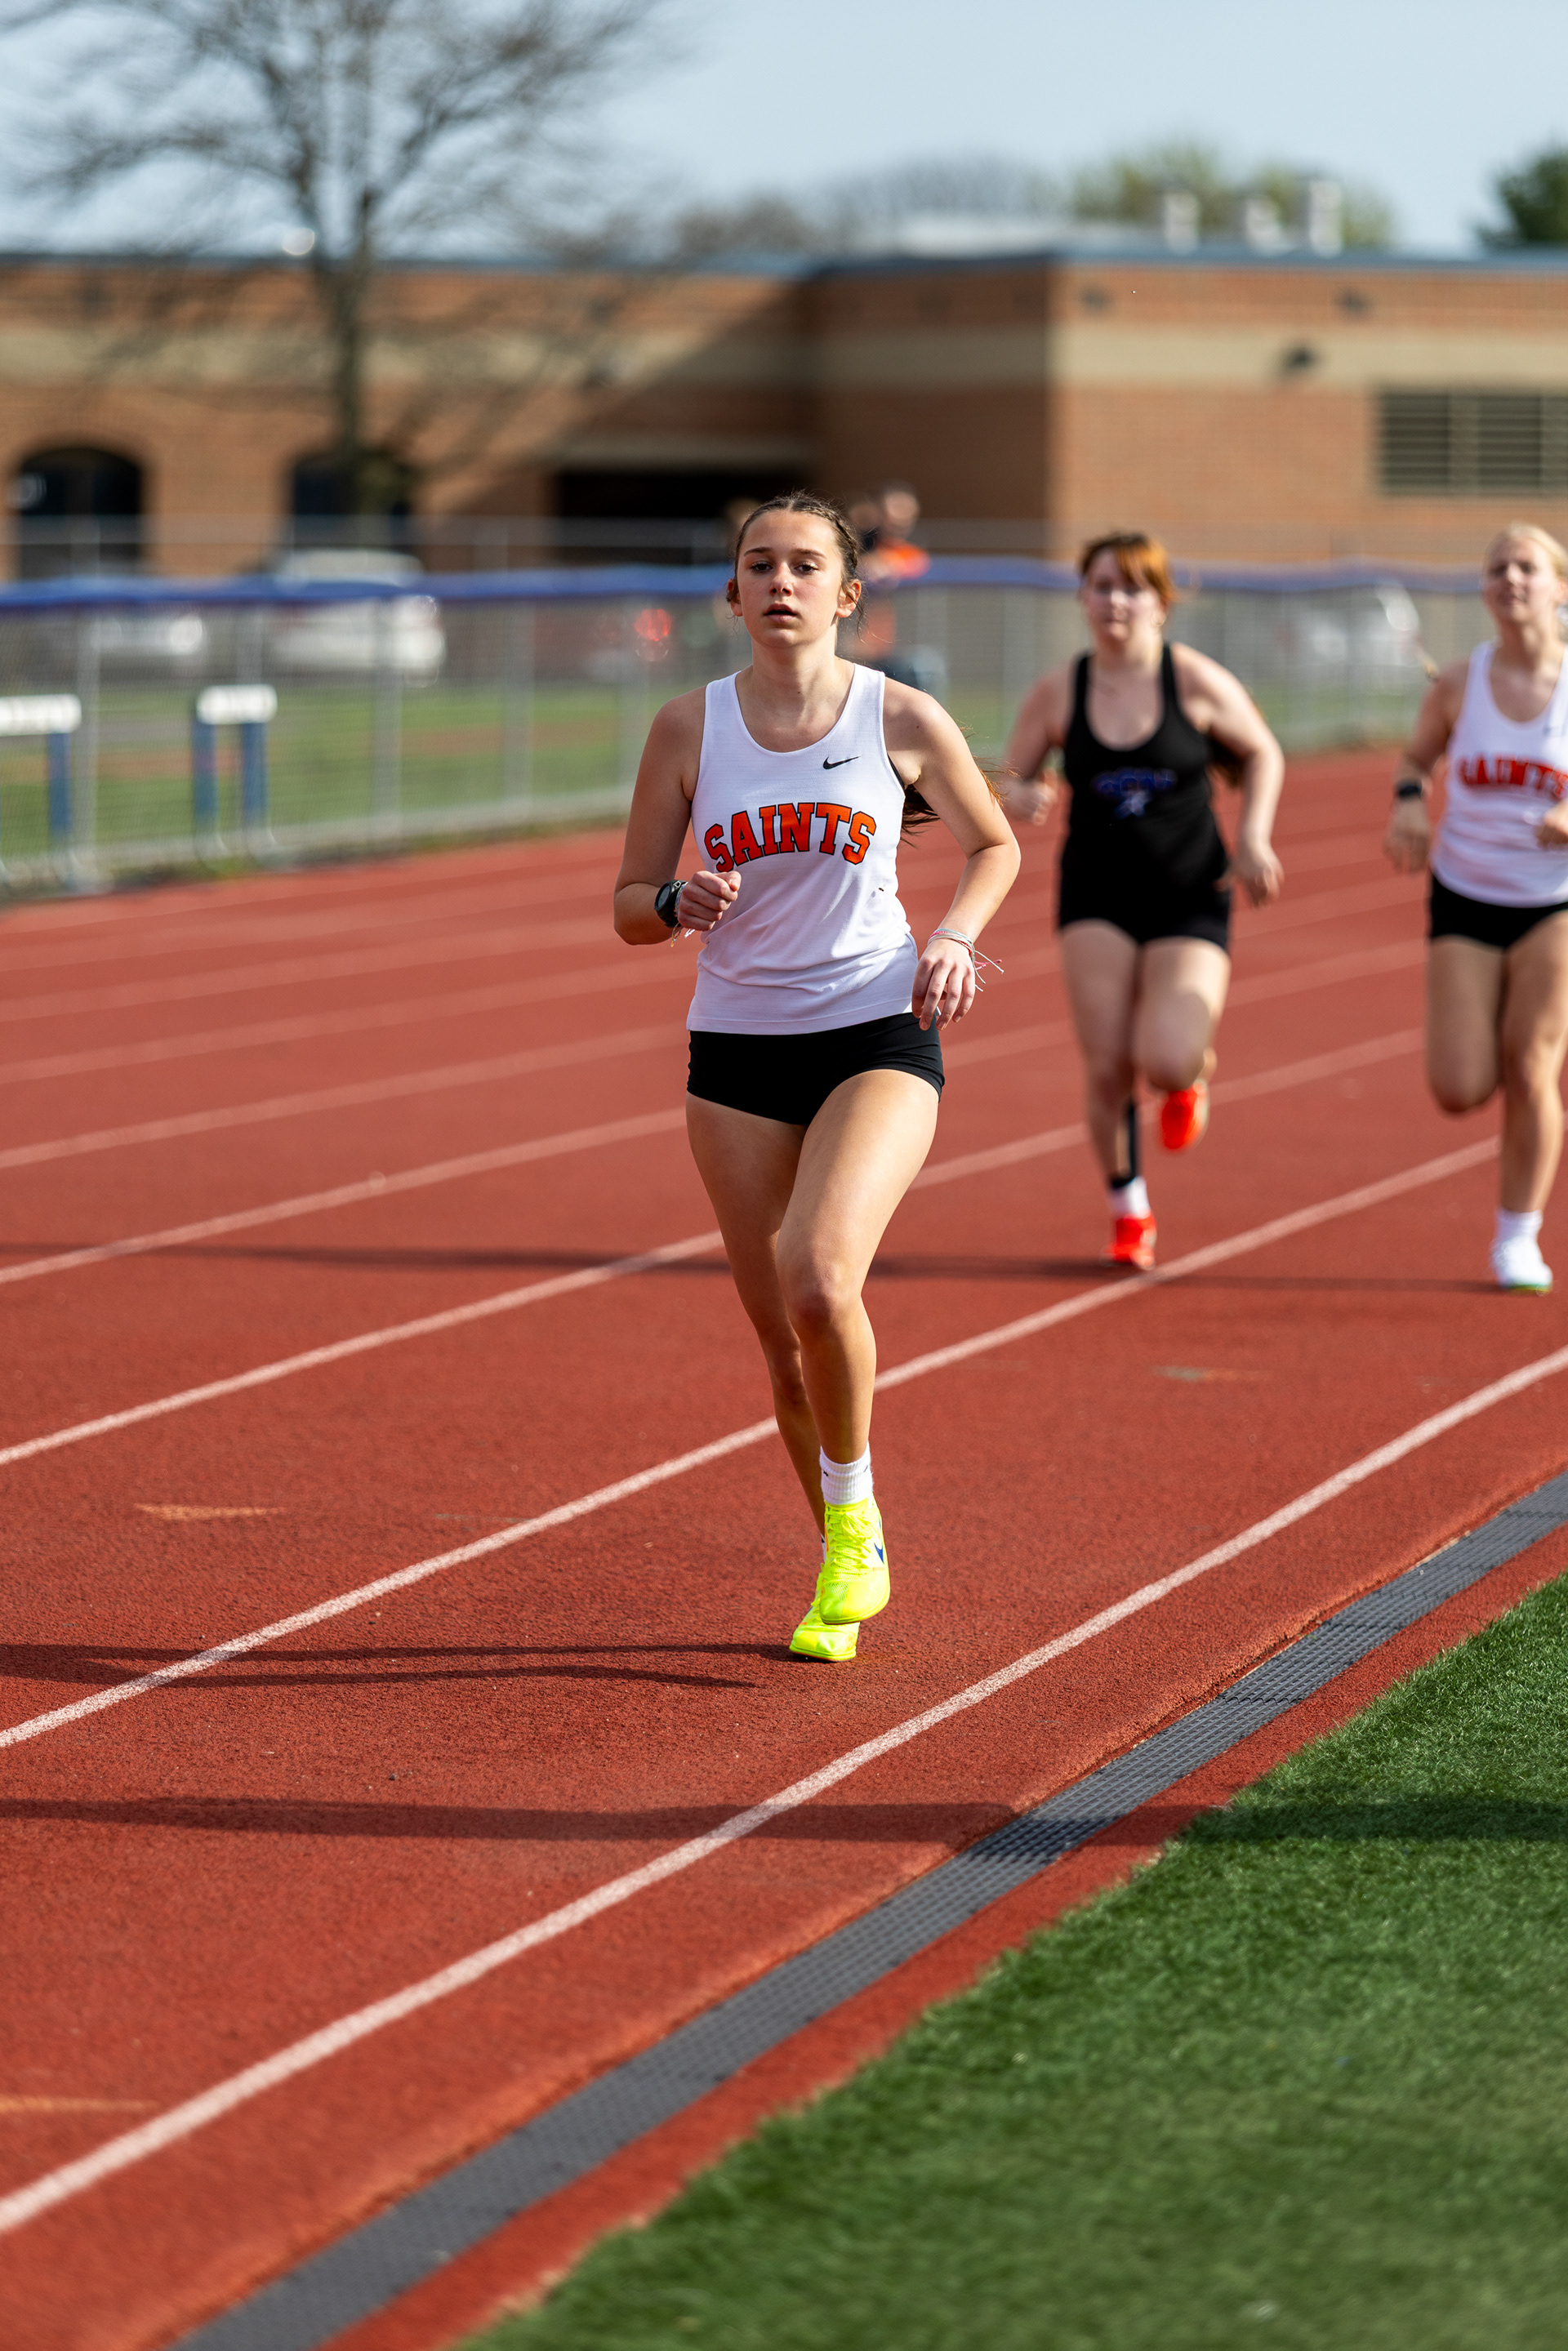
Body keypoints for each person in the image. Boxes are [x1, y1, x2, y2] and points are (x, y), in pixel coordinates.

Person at [614, 491, 1019, 1661]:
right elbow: (628, 904)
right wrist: (675, 899)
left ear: (847, 594)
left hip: (873, 1029)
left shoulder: (901, 714)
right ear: (732, 593)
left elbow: (995, 842)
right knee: (785, 1346)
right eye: (760, 564)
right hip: (736, 1053)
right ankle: (848, 1543)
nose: (780, 583)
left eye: (803, 566)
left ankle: (851, 1528)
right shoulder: (688, 728)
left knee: (817, 1272)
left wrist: (954, 936)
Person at [999, 531, 1285, 1268]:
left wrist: (1254, 837)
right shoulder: (1061, 690)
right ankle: (1129, 1207)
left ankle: (1189, 1077)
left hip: (1190, 891)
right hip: (1096, 894)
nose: (1115, 601)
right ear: (1083, 598)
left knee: (1167, 1057)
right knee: (1105, 1065)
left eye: (1132, 587)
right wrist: (1019, 794)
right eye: (1102, 586)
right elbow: (1006, 777)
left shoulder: (1193, 681)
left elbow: (1262, 750)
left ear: (1161, 602)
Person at [1383, 522, 1568, 1293]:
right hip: (1465, 892)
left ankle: (1517, 1235)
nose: (1510, 579)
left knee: (1532, 1068)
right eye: (1498, 568)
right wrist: (1408, 803)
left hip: (1553, 901)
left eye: (1527, 566)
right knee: (1459, 1086)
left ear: (1558, 586)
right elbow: (1414, 759)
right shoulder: (1461, 682)